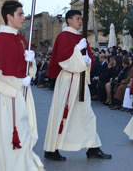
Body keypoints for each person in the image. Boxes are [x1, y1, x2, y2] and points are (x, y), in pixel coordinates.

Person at [0, 0, 43, 171]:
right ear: (9, 17)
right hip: (8, 96)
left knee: (25, 131)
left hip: (23, 93)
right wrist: (18, 82)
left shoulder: (21, 38)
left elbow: (27, 70)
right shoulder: (0, 40)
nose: (23, 17)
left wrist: (31, 63)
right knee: (12, 133)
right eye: (20, 14)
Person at [43, 10, 111, 161]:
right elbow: (63, 59)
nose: (80, 21)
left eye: (81, 18)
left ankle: (92, 147)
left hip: (79, 79)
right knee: (62, 113)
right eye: (77, 18)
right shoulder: (63, 36)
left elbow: (87, 59)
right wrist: (78, 52)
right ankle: (51, 148)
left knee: (87, 114)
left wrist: (86, 61)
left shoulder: (81, 38)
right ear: (69, 20)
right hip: (68, 79)